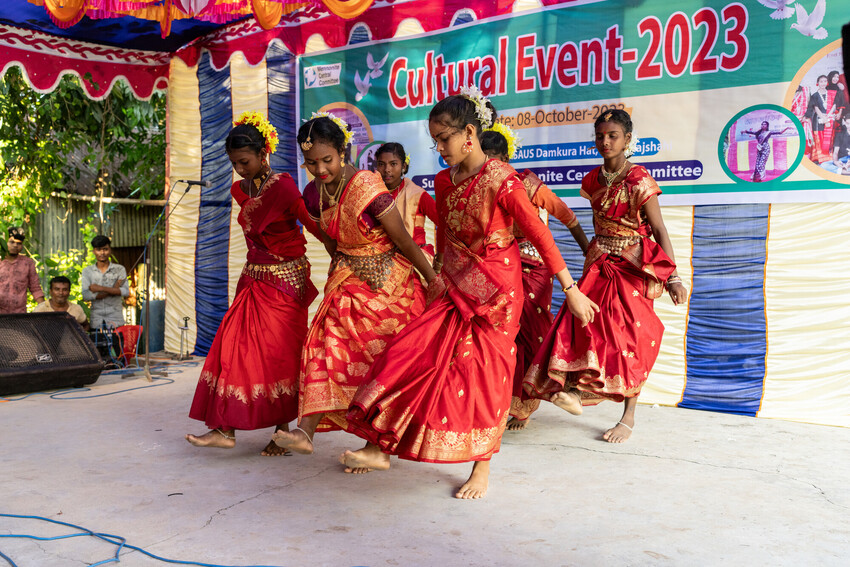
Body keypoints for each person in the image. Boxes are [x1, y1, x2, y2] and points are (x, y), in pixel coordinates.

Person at [342, 89, 598, 499]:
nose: (439, 148)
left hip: (496, 296)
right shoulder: (444, 181)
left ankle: (482, 466)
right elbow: (445, 234)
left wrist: (571, 290)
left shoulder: (504, 182)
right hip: (455, 286)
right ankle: (379, 445)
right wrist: (437, 277)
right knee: (408, 352)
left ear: (469, 133)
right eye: (435, 140)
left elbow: (540, 235)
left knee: (484, 377)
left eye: (444, 138)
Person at [270, 113, 437, 460]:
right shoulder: (313, 192)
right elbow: (331, 242)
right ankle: (306, 431)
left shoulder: (367, 186)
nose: (319, 170)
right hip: (347, 280)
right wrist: (341, 271)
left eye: (326, 160)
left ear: (343, 152)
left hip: (390, 285)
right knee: (321, 345)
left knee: (380, 362)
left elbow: (403, 240)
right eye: (311, 163)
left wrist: (432, 280)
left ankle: (377, 447)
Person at [523, 109, 688, 444]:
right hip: (599, 265)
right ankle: (568, 389)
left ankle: (628, 417)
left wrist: (672, 277)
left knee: (631, 339)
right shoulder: (592, 180)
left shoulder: (639, 180)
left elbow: (658, 229)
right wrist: (589, 251)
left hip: (632, 267)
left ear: (627, 139)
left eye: (613, 136)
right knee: (578, 325)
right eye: (600, 136)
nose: (605, 142)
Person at [186, 112, 321, 456]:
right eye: (234, 163)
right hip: (252, 280)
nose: (240, 170)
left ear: (264, 154)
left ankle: (282, 431)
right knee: (231, 347)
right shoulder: (238, 189)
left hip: (285, 285)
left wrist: (347, 249)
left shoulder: (285, 187)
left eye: (244, 161)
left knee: (279, 357)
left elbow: (313, 225)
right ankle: (224, 427)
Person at [479, 126, 590, 430]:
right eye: (484, 160)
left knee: (533, 332)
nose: (490, 166)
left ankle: (540, 397)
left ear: (506, 158)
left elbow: (568, 217)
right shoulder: (482, 187)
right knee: (505, 334)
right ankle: (507, 403)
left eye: (495, 160)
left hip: (537, 269)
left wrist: (588, 254)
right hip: (504, 266)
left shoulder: (528, 185)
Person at [374, 142, 438, 257]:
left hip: (416, 259)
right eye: (381, 164)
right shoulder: (373, 194)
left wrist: (442, 256)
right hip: (382, 258)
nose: (387, 169)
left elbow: (442, 222)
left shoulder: (416, 194)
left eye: (393, 164)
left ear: (403, 166)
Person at [81, 235, 128, 330]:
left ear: (110, 250)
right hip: (97, 320)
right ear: (94, 251)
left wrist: (99, 288)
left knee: (117, 344)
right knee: (97, 344)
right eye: (98, 249)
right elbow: (85, 295)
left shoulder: (119, 269)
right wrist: (114, 289)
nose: (102, 253)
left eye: (105, 249)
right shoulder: (87, 271)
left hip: (116, 319)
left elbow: (126, 292)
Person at [0, 227, 44, 314]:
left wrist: (45, 309)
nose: (15, 245)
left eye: (19, 243)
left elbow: (35, 288)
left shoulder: (27, 263)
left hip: (20, 315)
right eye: (12, 242)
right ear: (4, 243)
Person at [806, 75, 844, 163]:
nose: (823, 83)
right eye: (821, 81)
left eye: (825, 81)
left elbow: (834, 105)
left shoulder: (832, 93)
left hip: (829, 117)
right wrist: (823, 117)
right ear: (817, 83)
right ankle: (820, 158)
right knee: (819, 137)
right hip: (818, 119)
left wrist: (828, 116)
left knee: (830, 137)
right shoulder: (814, 95)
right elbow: (815, 107)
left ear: (827, 82)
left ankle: (829, 157)